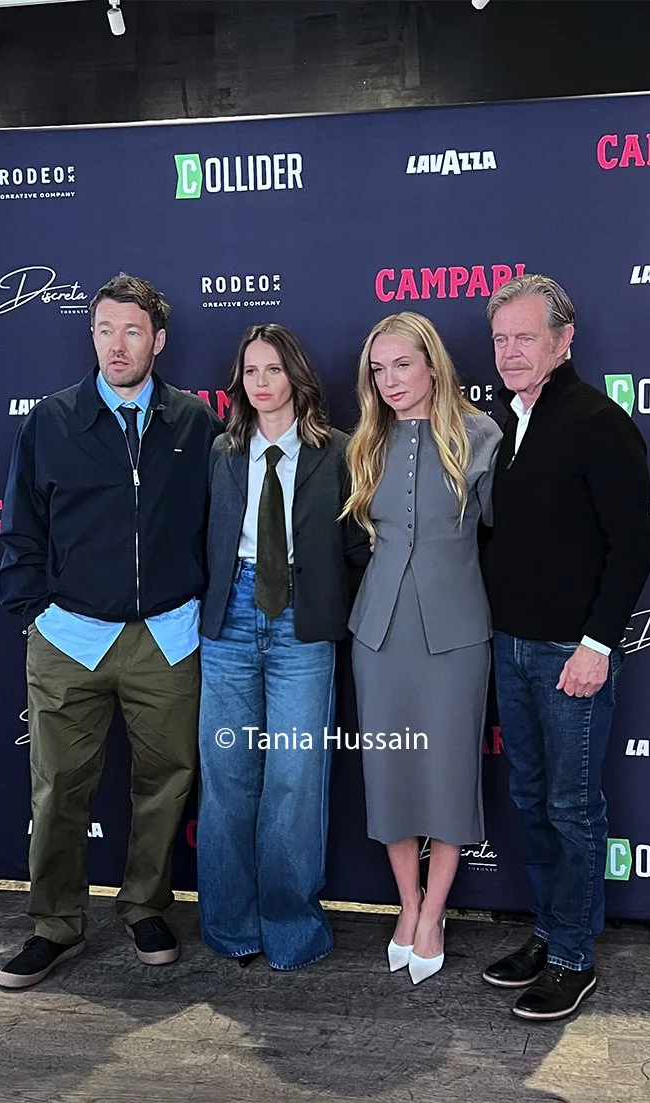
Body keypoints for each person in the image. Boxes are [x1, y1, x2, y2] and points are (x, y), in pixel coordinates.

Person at [0, 272, 223, 989]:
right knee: (58, 787)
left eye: (131, 331)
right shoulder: (50, 420)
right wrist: (33, 612)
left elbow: (218, 527)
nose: (116, 345)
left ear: (159, 340)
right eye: (103, 330)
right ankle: (54, 924)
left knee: (166, 782)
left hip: (168, 637)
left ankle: (146, 906)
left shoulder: (196, 423)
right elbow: (22, 524)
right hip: (69, 637)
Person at [481, 274, 650, 1021]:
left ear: (563, 339)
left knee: (573, 808)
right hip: (512, 647)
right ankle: (551, 932)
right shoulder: (509, 422)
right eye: (501, 339)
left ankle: (574, 958)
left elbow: (635, 544)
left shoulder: (598, 422)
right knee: (531, 799)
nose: (510, 352)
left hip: (570, 655)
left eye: (525, 336)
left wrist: (596, 645)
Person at [197, 323, 369, 971]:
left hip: (305, 620)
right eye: (251, 371)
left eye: (273, 369)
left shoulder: (340, 451)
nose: (262, 382)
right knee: (227, 777)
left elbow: (359, 548)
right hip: (230, 618)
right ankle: (231, 926)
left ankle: (292, 929)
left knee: (296, 779)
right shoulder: (221, 452)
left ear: (298, 377)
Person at [341, 311, 503, 985]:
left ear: (433, 364)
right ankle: (406, 905)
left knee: (448, 774)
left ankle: (435, 913)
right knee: (391, 775)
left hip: (457, 633)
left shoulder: (482, 435)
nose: (390, 381)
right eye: (378, 370)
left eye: (402, 365)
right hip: (379, 634)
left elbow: (506, 534)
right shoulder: (366, 440)